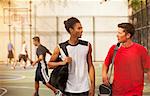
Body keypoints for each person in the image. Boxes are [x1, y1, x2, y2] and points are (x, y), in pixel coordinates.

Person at [48, 17, 95, 96]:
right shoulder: (61, 47)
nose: (81, 30)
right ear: (71, 30)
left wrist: (92, 86)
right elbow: (49, 65)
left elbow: (90, 66)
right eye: (79, 28)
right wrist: (63, 62)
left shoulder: (87, 45)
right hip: (68, 89)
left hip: (84, 88)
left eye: (81, 28)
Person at [102, 23, 150, 96]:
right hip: (117, 92)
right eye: (117, 32)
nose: (117, 35)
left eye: (120, 33)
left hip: (135, 93)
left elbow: (148, 70)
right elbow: (106, 64)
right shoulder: (114, 49)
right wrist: (104, 76)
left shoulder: (141, 50)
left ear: (128, 35)